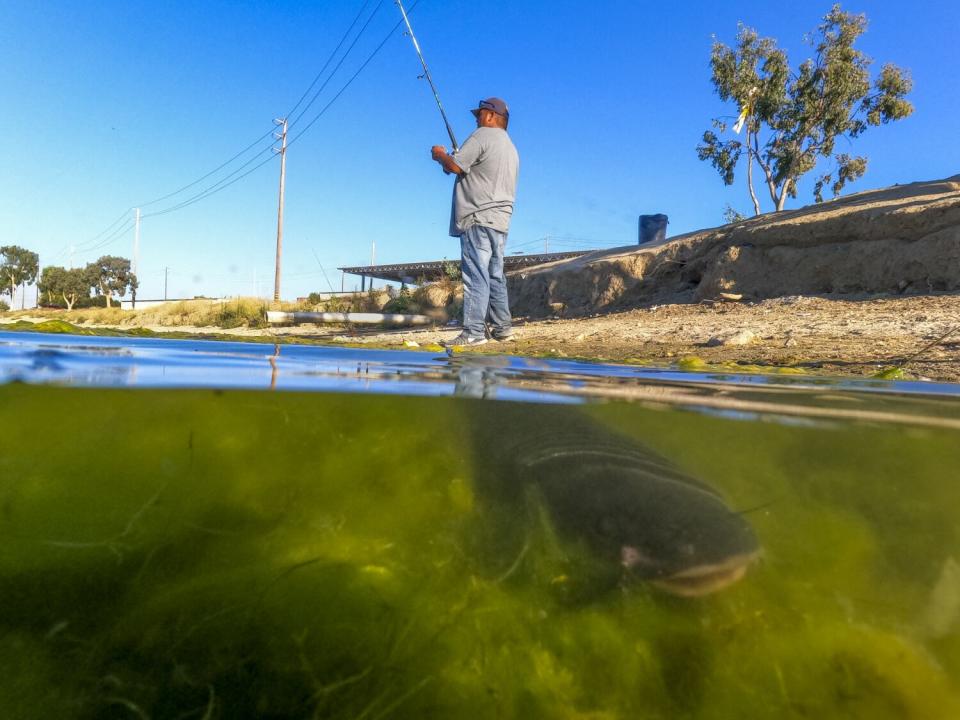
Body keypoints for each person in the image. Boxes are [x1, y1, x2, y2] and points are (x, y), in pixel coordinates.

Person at [431, 97, 519, 347]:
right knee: (495, 275)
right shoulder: (510, 148)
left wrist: (440, 155)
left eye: (479, 114)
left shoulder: (482, 136)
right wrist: (452, 162)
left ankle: (473, 333)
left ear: (491, 116)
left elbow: (455, 167)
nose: (476, 119)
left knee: (476, 275)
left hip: (477, 218)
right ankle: (502, 329)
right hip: (500, 221)